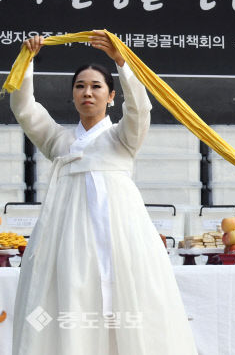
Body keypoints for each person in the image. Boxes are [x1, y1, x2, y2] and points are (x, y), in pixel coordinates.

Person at [10, 33, 197, 355]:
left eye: (96, 86)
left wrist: (122, 63)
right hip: (66, 242)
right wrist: (26, 61)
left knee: (128, 303)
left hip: (120, 238)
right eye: (80, 86)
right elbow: (25, 109)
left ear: (111, 96)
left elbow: (140, 110)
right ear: (72, 95)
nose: (87, 93)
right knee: (70, 301)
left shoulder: (121, 138)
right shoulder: (58, 141)